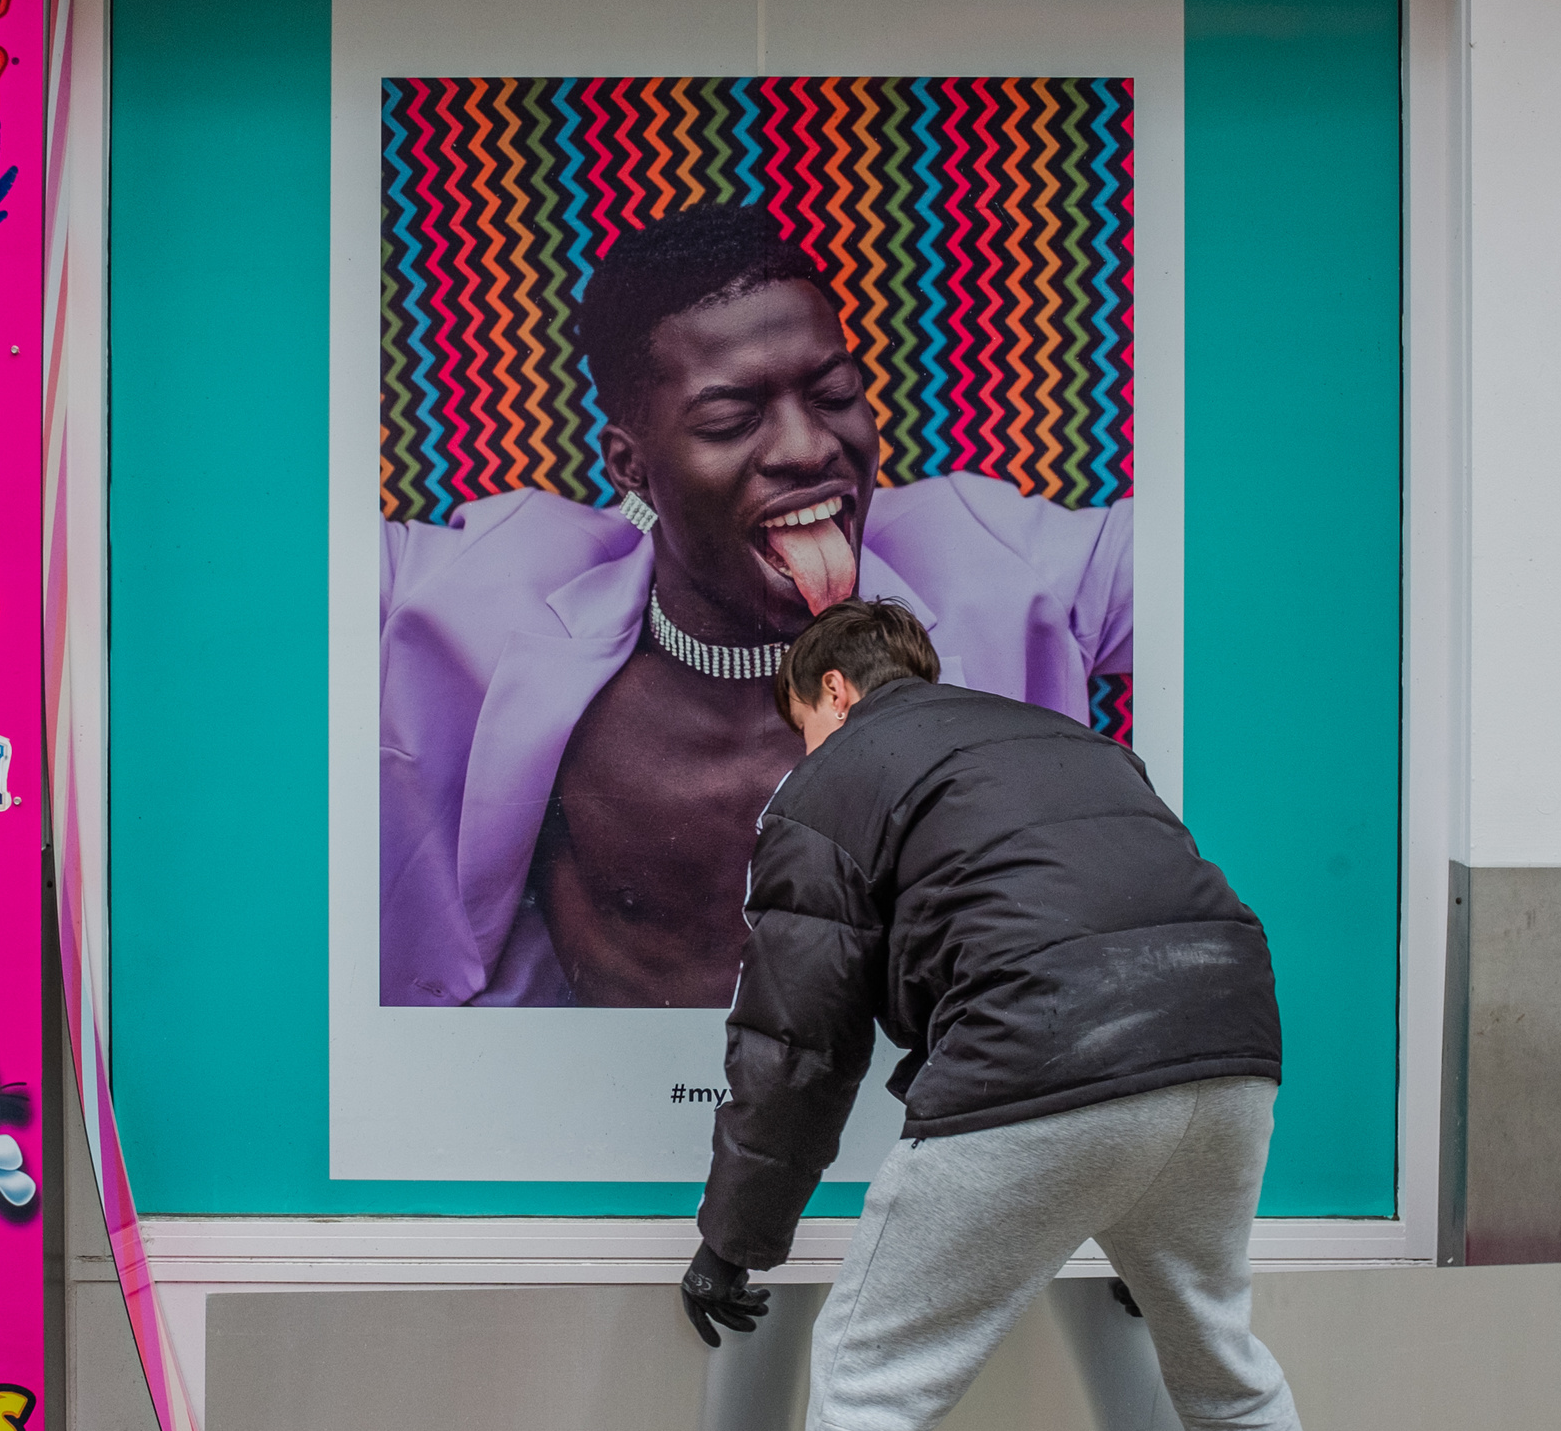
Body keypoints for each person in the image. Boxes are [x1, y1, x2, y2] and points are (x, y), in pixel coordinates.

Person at [679, 599, 1348, 1431]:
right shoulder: (1068, 740)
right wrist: (1149, 1218)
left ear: (834, 690)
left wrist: (735, 1239)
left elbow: (797, 1042)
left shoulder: (834, 778)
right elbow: (1127, 902)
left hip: (1042, 1052)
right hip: (1227, 1046)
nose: (802, 749)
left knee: (868, 1383)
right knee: (1221, 1363)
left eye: (800, 722)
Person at [380, 204, 1132, 1008]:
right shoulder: (488, 586)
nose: (808, 447)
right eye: (731, 420)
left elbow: (1209, 554)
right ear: (629, 467)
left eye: (834, 393)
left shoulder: (990, 559)